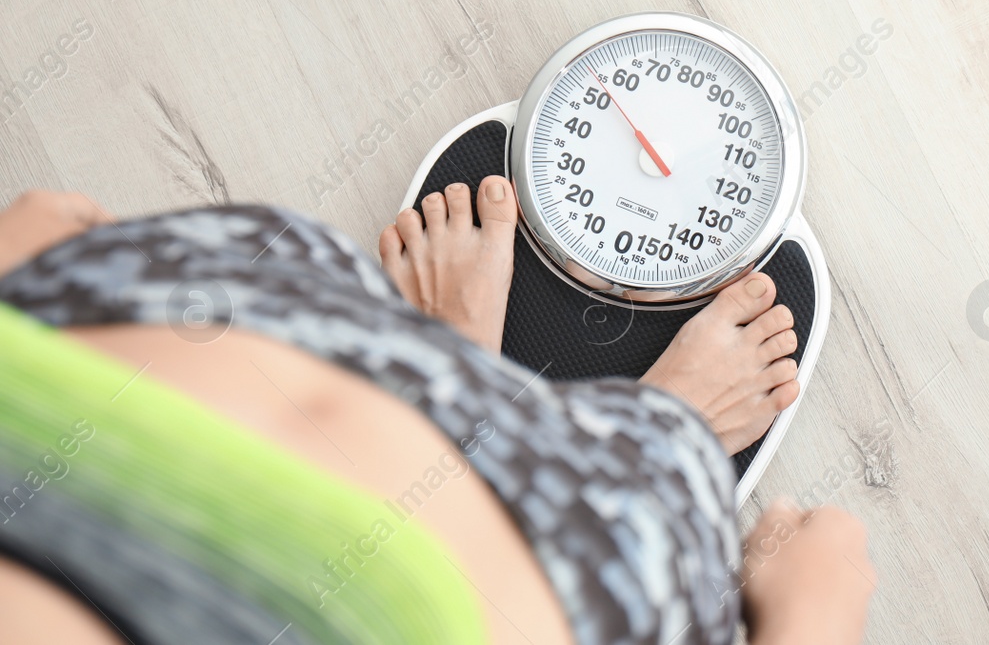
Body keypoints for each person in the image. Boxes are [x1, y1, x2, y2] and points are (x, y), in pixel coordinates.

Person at [0, 184, 875, 645]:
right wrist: (811, 615)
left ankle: (450, 352)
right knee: (660, 475)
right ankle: (659, 419)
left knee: (304, 269)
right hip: (562, 577)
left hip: (98, 329)